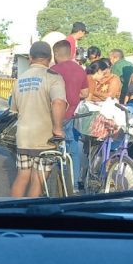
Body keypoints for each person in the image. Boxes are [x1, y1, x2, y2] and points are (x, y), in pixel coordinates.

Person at [9, 41, 67, 198]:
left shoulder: (19, 80)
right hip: (45, 138)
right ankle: (30, 217)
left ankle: (13, 213)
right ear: (50, 58)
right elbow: (59, 102)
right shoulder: (53, 77)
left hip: (23, 137)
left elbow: (14, 109)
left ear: (30, 58)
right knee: (39, 179)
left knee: (22, 177)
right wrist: (58, 129)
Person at [49, 39, 89, 187]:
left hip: (56, 116)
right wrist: (72, 96)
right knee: (72, 151)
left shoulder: (54, 70)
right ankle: (73, 184)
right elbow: (85, 93)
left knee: (53, 149)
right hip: (73, 115)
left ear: (56, 54)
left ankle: (57, 184)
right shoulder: (80, 69)